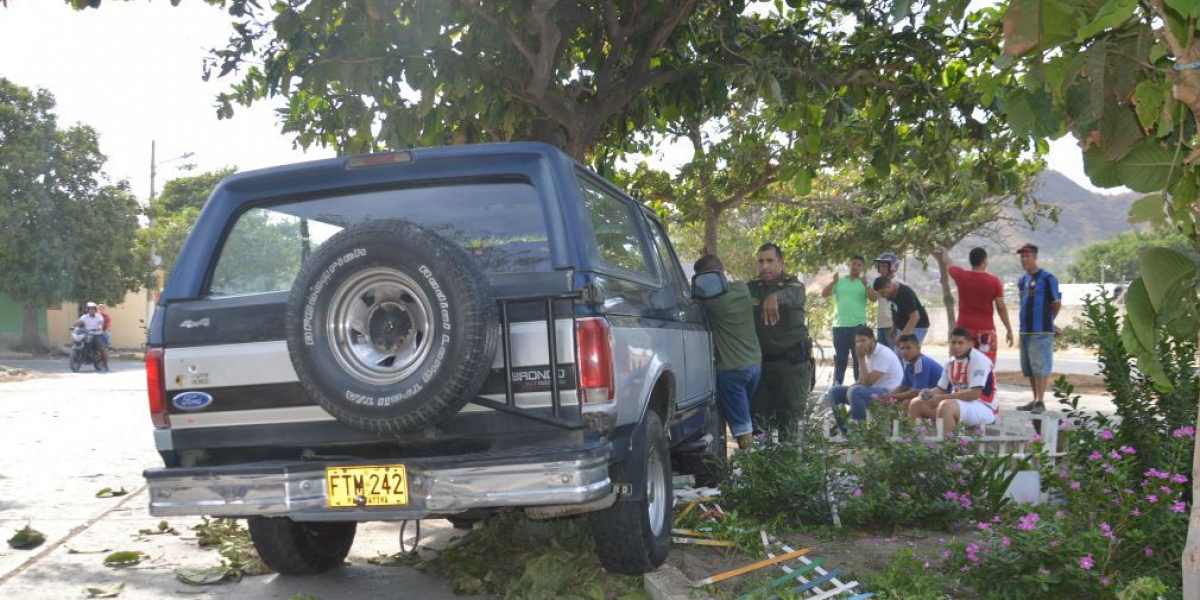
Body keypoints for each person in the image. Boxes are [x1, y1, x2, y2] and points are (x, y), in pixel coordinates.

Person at [694, 255, 762, 449]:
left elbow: (698, 302)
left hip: (732, 371)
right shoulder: (742, 289)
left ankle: (751, 468)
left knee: (742, 425)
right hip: (755, 366)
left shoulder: (712, 304)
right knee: (744, 414)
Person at [748, 242, 813, 439]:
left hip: (790, 366)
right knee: (760, 421)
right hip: (762, 366)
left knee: (790, 420)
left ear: (781, 262)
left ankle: (791, 465)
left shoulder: (793, 286)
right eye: (761, 261)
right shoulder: (752, 288)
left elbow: (794, 296)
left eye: (770, 261)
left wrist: (775, 296)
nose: (764, 266)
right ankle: (762, 466)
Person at [935, 247, 1014, 366]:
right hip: (985, 331)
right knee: (985, 366)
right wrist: (1008, 329)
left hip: (964, 330)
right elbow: (1001, 307)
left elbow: (948, 263)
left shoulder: (961, 276)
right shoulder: (994, 281)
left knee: (963, 366)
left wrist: (944, 252)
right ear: (984, 261)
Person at [911, 327, 998, 434]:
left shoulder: (980, 360)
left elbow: (974, 394)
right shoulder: (950, 362)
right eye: (953, 342)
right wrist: (928, 393)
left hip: (984, 407)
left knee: (945, 406)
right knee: (915, 403)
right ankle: (920, 446)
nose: (956, 346)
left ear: (970, 344)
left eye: (961, 343)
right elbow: (940, 389)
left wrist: (941, 398)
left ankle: (951, 449)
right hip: (960, 405)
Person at [828, 326, 904, 434]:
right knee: (834, 391)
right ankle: (845, 430)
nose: (859, 344)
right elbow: (861, 381)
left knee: (855, 392)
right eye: (857, 341)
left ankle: (859, 432)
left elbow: (867, 383)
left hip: (888, 393)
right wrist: (852, 386)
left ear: (872, 339)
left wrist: (860, 358)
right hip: (872, 391)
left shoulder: (883, 354)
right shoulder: (866, 354)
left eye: (863, 340)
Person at [1013, 243, 1061, 414]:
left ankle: (1041, 401)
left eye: (1027, 256)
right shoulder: (1022, 280)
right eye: (1022, 257)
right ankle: (1034, 399)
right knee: (1030, 368)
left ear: (1035, 257)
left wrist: (1049, 321)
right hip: (1025, 330)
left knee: (1040, 366)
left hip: (1041, 331)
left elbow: (1056, 303)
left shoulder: (1048, 278)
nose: (1024, 260)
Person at [821, 255, 877, 385]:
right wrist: (832, 282)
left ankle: (859, 386)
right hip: (839, 327)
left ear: (862, 268)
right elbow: (824, 294)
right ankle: (836, 388)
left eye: (859, 265)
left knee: (859, 359)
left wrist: (867, 285)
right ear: (849, 265)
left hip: (857, 328)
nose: (855, 267)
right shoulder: (840, 281)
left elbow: (874, 299)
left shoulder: (865, 283)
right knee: (840, 360)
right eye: (853, 264)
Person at [885, 333, 944, 408]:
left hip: (941, 397)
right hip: (927, 394)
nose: (904, 351)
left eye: (908, 348)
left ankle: (907, 420)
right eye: (902, 348)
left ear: (918, 348)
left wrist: (893, 397)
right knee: (893, 401)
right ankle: (894, 420)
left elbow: (917, 392)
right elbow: (903, 387)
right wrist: (886, 397)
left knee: (906, 402)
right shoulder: (909, 364)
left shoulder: (922, 362)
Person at [873, 277, 930, 344]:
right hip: (903, 327)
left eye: (882, 293)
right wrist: (894, 327)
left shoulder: (904, 293)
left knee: (909, 351)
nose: (881, 296)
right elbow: (895, 309)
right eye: (879, 294)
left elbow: (915, 316)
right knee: (899, 352)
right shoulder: (891, 293)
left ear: (888, 287)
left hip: (917, 327)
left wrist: (903, 336)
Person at [873, 253, 901, 351]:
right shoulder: (880, 283)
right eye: (880, 266)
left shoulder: (897, 283)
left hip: (892, 326)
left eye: (884, 266)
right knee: (883, 357)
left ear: (893, 267)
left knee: (894, 356)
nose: (881, 269)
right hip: (881, 324)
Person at [73, 302, 109, 371]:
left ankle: (106, 365)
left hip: (97, 334)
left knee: (102, 349)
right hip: (87, 334)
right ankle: (82, 356)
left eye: (93, 309)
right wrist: (72, 326)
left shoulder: (99, 316)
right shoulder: (84, 317)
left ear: (95, 310)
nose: (91, 310)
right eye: (90, 309)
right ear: (88, 310)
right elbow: (79, 322)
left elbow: (100, 323)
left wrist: (99, 327)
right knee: (79, 341)